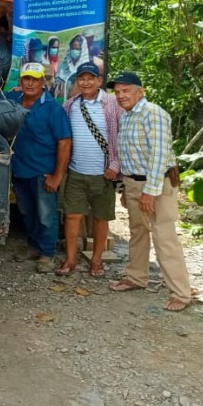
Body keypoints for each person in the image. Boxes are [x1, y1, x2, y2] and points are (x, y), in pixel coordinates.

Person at [108, 72, 193, 312]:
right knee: (137, 232)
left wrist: (150, 192)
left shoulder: (153, 113)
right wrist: (126, 187)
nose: (121, 95)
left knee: (164, 237)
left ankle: (181, 293)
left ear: (140, 91)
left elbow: (158, 156)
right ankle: (136, 277)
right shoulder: (126, 117)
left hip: (155, 185)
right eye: (118, 92)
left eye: (126, 90)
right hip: (134, 183)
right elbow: (128, 155)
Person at [56, 62, 123, 277]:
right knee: (72, 216)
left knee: (100, 218)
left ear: (99, 81)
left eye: (90, 78)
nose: (86, 82)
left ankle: (96, 261)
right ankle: (71, 259)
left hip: (104, 174)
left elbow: (123, 137)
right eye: (82, 78)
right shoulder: (70, 105)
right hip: (76, 172)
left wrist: (115, 165)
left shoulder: (113, 104)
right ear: (77, 82)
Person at [7, 62, 72, 273]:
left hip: (43, 171)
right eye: (26, 78)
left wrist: (56, 176)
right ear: (20, 81)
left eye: (35, 79)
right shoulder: (14, 99)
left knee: (46, 215)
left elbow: (64, 143)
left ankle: (47, 254)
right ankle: (33, 246)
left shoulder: (53, 108)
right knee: (27, 212)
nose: (29, 83)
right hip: (20, 169)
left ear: (43, 82)